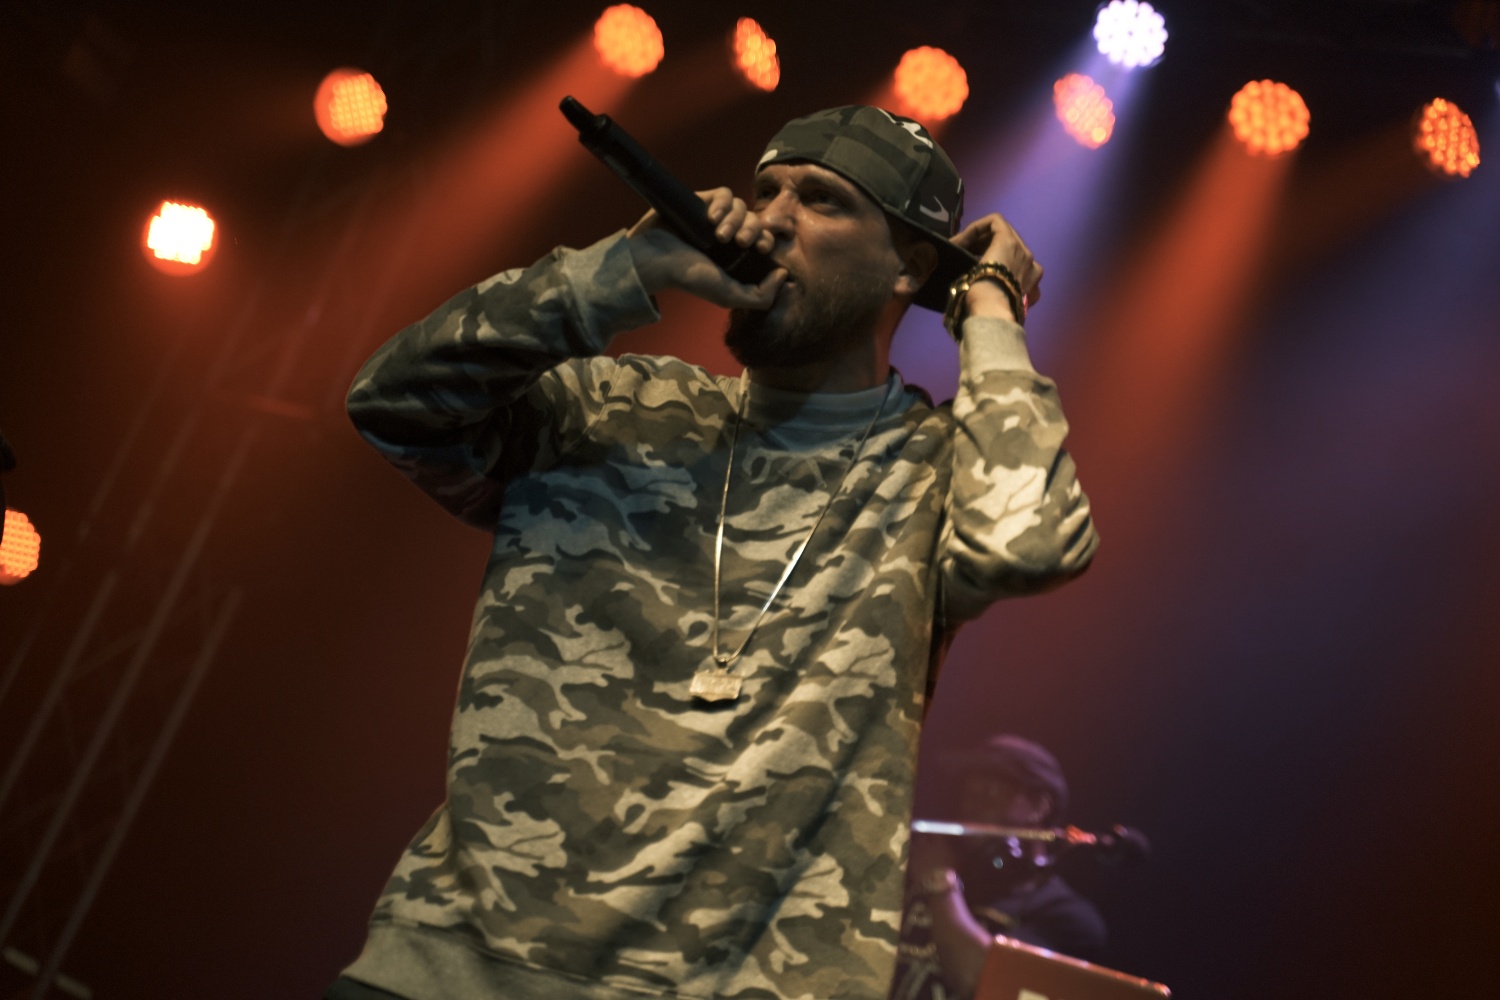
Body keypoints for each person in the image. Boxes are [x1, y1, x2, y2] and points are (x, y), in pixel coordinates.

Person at [328, 105, 1097, 1000]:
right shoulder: (610, 407)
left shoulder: (931, 470)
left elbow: (1028, 544)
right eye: (766, 190)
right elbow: (393, 403)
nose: (772, 218)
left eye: (822, 200)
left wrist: (990, 308)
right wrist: (623, 271)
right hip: (453, 975)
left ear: (911, 267)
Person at [891, 736, 1107, 1000]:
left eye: (988, 793)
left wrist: (939, 884)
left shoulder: (1066, 916)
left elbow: (983, 980)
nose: (969, 806)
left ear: (1039, 807)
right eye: (967, 794)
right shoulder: (931, 869)